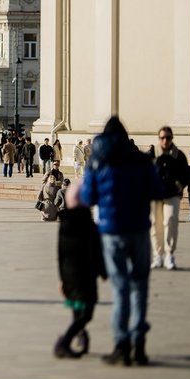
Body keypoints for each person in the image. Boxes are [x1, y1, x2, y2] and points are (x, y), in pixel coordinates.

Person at [74, 117, 162, 366]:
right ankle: (139, 344)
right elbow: (157, 191)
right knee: (140, 286)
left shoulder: (97, 161)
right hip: (138, 229)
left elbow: (89, 197)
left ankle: (121, 345)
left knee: (120, 288)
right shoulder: (142, 161)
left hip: (111, 231)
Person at [53, 195, 106, 359]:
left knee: (77, 310)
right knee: (87, 313)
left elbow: (60, 254)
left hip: (69, 275)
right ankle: (64, 342)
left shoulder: (65, 223)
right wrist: (103, 272)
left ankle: (82, 338)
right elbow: (94, 252)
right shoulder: (88, 224)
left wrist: (61, 278)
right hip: (85, 275)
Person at [152, 126, 189, 270]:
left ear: (172, 138)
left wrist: (179, 185)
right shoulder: (152, 153)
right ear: (159, 138)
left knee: (171, 221)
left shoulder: (179, 155)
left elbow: (186, 174)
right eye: (162, 137)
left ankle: (169, 254)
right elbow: (145, 171)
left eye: (168, 137)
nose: (165, 140)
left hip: (172, 194)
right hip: (155, 195)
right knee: (155, 225)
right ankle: (158, 255)